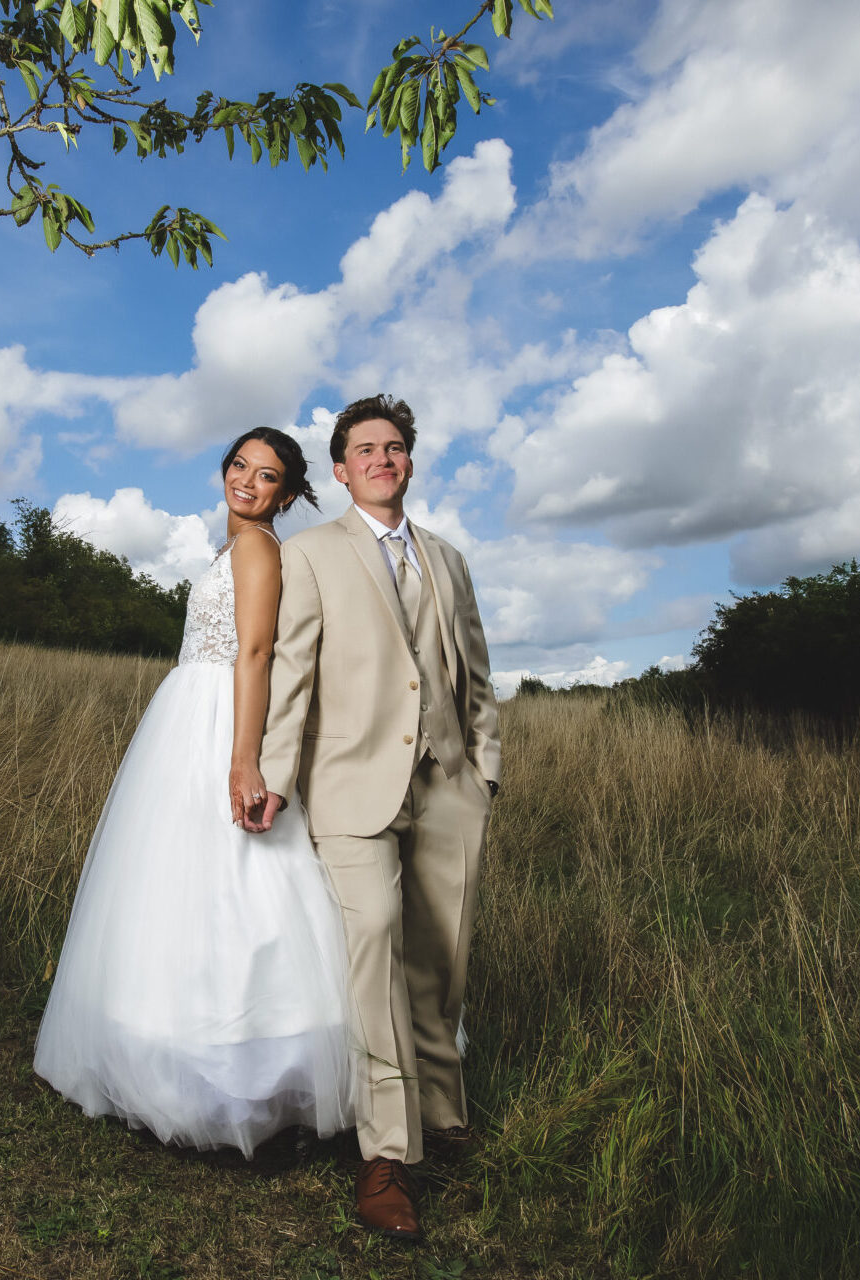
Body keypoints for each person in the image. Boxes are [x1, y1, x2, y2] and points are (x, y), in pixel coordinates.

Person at [34, 428, 355, 1157]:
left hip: (222, 720)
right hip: (187, 715)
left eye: (266, 474)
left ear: (288, 492)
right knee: (180, 885)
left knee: (242, 881)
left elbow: (256, 651)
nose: (246, 480)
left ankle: (253, 1074)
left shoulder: (257, 547)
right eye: (239, 465)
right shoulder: (232, 545)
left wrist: (243, 761)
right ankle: (177, 1058)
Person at [253, 395, 501, 1242]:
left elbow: (475, 670)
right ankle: (385, 1152)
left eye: (394, 448)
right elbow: (291, 669)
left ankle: (442, 1112)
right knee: (375, 948)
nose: (382, 459)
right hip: (351, 784)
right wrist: (272, 774)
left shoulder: (448, 558)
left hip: (447, 786)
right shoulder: (313, 553)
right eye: (366, 449)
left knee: (442, 955)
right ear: (340, 466)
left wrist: (484, 771)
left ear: (409, 460)